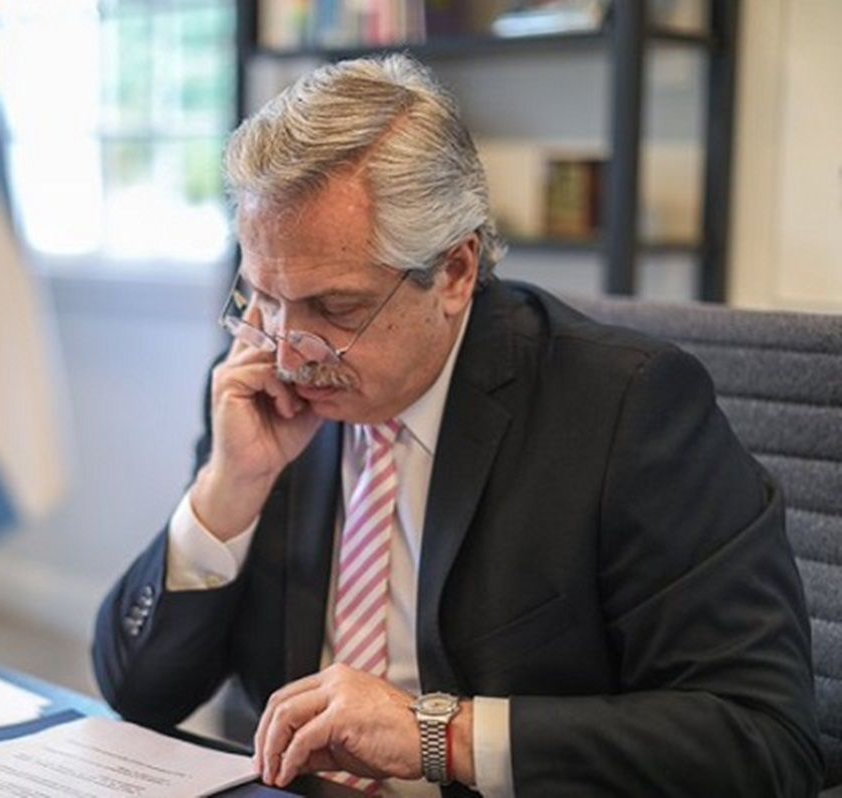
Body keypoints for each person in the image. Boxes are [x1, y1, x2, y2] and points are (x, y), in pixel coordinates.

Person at [92, 55, 822, 797]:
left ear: (455, 272)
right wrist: (227, 490)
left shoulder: (624, 409)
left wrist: (441, 735)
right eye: (264, 298)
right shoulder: (260, 388)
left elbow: (763, 741)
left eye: (336, 309)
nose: (287, 350)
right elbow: (137, 693)